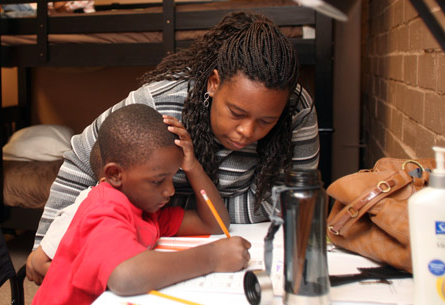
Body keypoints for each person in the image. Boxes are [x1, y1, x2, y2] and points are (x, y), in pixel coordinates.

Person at [28, 10, 320, 282]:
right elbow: (83, 158)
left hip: (182, 226)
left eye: (266, 121)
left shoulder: (296, 109)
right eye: (236, 113)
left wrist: (163, 207)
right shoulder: (160, 104)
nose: (246, 132)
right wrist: (46, 245)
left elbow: (286, 200)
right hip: (149, 228)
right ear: (214, 83)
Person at [32, 104, 251, 304]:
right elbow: (125, 277)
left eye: (172, 178)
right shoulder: (105, 209)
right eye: (158, 181)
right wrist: (212, 257)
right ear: (115, 174)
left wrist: (192, 167)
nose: (170, 190)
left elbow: (214, 223)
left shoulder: (145, 209)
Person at [26, 139, 104, 285]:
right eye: (156, 181)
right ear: (114, 174)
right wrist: (91, 282)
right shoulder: (86, 206)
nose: (162, 191)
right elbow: (38, 261)